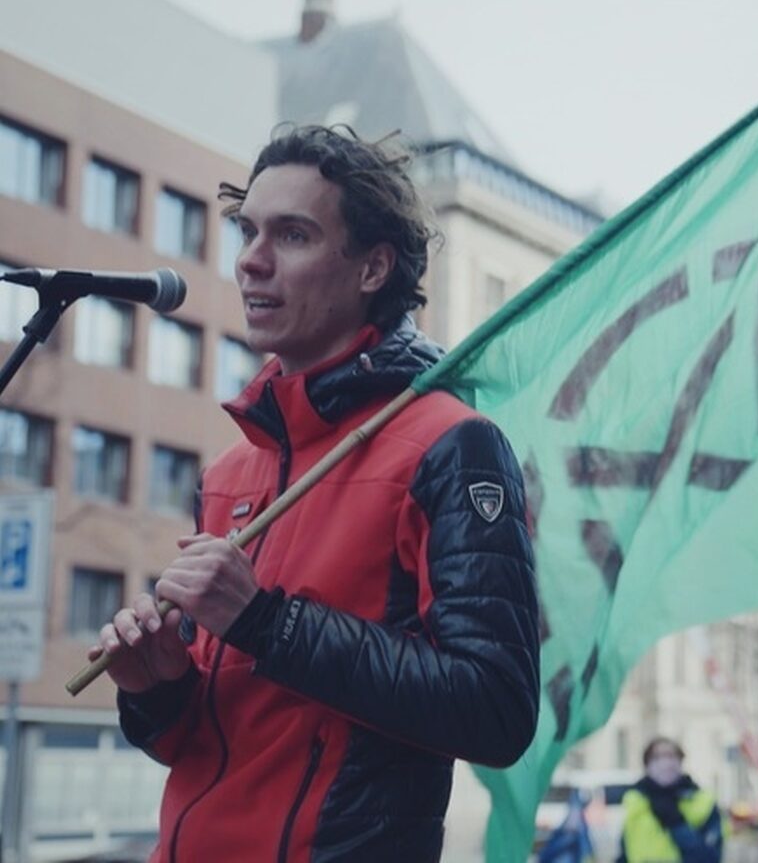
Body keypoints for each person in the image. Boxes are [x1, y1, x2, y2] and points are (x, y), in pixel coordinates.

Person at [87, 125, 540, 862]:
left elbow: (495, 709)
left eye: (292, 235)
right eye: (248, 232)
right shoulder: (227, 473)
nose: (251, 261)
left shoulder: (451, 445)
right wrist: (157, 688)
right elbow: (204, 743)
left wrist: (268, 623)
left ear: (373, 268)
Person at [618, 737, 725, 863]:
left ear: (680, 761)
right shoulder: (636, 801)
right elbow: (627, 851)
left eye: (671, 756)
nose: (665, 763)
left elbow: (710, 856)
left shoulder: (702, 801)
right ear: (647, 764)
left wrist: (677, 824)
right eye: (657, 757)